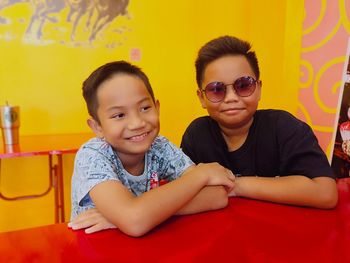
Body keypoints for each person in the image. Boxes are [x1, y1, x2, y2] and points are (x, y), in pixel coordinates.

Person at [68, 61, 235, 237]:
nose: (137, 123)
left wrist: (140, 214)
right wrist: (201, 174)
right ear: (97, 127)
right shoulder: (92, 156)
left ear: (157, 107)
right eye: (119, 115)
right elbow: (134, 221)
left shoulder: (159, 146)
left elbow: (217, 195)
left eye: (145, 108)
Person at [180, 35, 338, 209]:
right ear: (201, 97)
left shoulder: (284, 127)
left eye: (243, 85)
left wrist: (237, 185)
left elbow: (325, 192)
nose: (231, 98)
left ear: (259, 88)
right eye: (217, 90)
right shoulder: (196, 135)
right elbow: (181, 193)